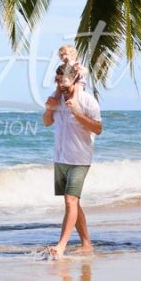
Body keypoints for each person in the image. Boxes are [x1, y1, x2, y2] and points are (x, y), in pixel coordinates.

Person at [43, 64, 102, 258]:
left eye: (64, 82)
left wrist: (77, 114)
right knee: (73, 203)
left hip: (79, 158)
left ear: (75, 80)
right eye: (58, 81)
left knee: (70, 201)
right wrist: (49, 109)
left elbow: (98, 129)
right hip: (60, 158)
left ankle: (60, 246)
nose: (61, 85)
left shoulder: (87, 101)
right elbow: (47, 122)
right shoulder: (56, 99)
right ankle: (86, 243)